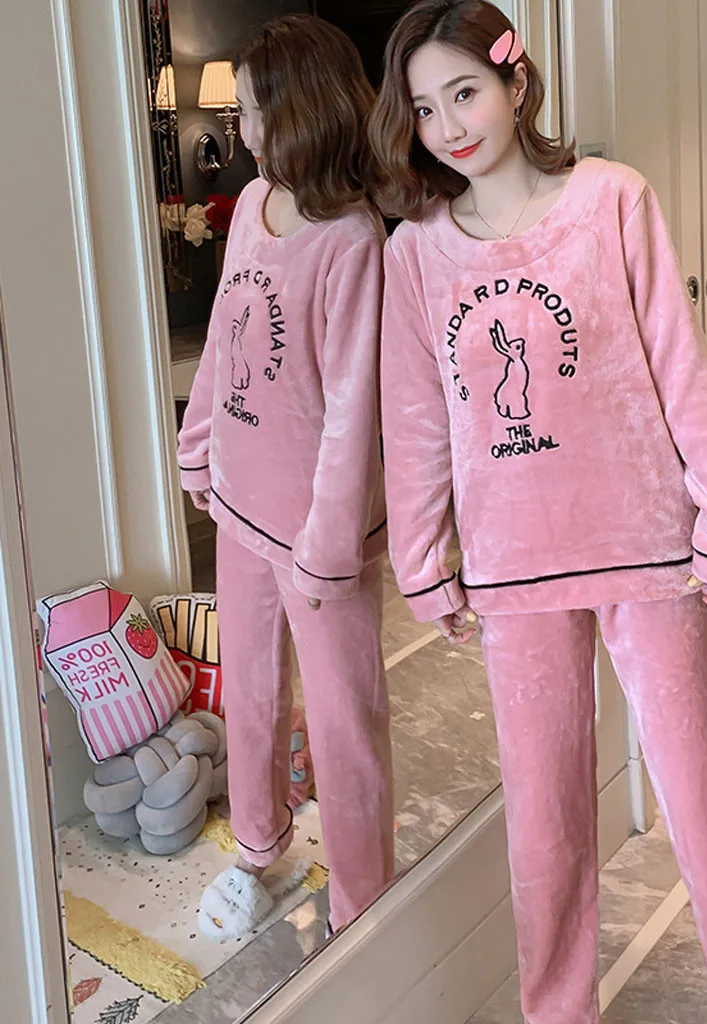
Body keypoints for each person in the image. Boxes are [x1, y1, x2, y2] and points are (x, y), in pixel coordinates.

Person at [368, 1, 707, 1021]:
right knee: (545, 826)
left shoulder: (611, 199)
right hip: (513, 571)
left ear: (516, 82)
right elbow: (417, 417)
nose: (449, 126)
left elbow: (680, 370)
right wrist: (423, 559)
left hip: (651, 555)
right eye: (425, 108)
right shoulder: (415, 254)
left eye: (465, 93)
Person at [177, 13, 393, 939]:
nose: (246, 126)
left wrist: (330, 543)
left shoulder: (352, 239)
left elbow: (354, 408)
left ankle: (363, 903)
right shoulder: (256, 204)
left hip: (317, 534)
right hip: (240, 508)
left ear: (300, 108)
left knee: (346, 723)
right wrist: (198, 443)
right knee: (253, 691)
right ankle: (257, 848)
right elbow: (226, 341)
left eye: (255, 107)